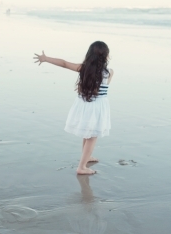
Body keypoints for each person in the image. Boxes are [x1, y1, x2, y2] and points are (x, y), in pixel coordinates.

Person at [33, 41, 114, 175]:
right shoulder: (109, 72)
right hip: (97, 107)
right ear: (106, 56)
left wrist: (46, 59)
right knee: (92, 136)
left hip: (83, 105)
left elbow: (64, 63)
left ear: (89, 55)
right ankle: (81, 167)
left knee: (87, 134)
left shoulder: (83, 68)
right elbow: (104, 89)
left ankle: (85, 158)